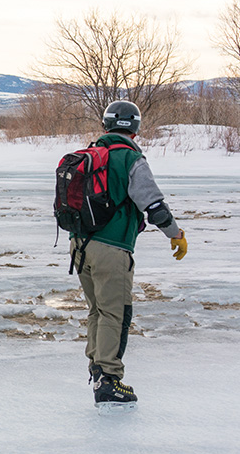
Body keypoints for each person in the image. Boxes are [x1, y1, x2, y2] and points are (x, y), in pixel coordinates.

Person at [69, 100, 187, 413]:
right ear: (134, 127)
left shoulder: (89, 155)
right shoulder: (131, 158)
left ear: (106, 125)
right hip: (112, 248)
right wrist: (176, 234)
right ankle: (109, 380)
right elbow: (155, 207)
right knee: (115, 313)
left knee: (97, 309)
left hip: (79, 246)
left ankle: (96, 367)